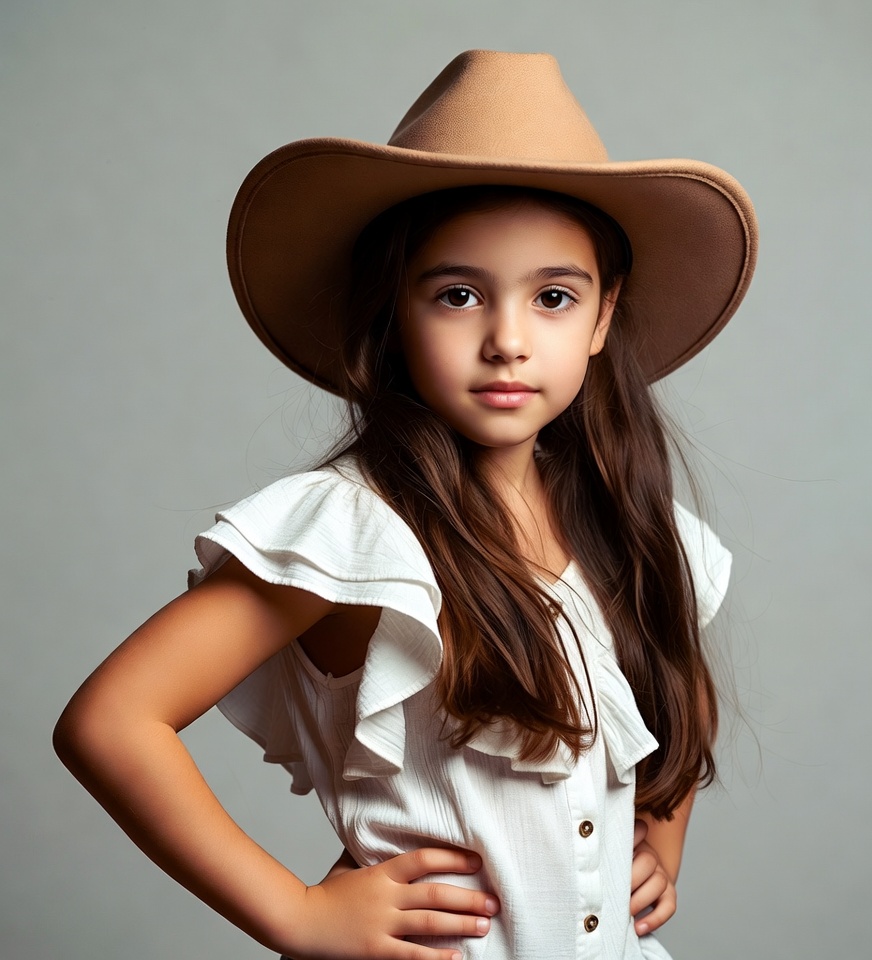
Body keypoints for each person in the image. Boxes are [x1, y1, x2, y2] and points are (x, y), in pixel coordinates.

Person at [54, 50, 757, 960]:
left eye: (552, 297)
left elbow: (670, 685)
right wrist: (297, 914)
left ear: (602, 318)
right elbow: (110, 722)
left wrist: (658, 837)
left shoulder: (633, 529)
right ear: (394, 313)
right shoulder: (354, 533)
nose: (507, 340)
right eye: (459, 295)